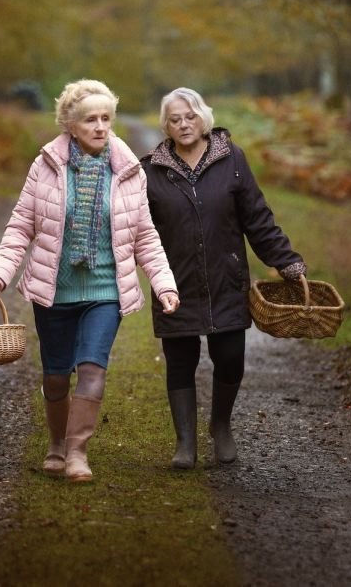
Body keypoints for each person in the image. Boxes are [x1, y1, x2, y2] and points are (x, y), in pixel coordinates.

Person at [0, 79, 180, 483]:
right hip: (54, 291)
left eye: (107, 118)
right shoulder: (46, 165)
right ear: (70, 123)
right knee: (55, 374)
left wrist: (165, 284)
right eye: (91, 119)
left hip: (106, 290)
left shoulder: (128, 170)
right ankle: (55, 443)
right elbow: (21, 227)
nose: (101, 127)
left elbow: (144, 235)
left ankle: (76, 453)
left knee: (92, 368)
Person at [141, 88, 305, 468]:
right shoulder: (150, 169)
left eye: (190, 116)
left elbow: (257, 218)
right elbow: (137, 229)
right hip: (175, 282)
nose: (183, 124)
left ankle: (221, 424)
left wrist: (286, 261)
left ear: (203, 118)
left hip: (225, 276)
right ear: (165, 125)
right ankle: (185, 443)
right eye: (174, 119)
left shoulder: (232, 159)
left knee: (229, 357)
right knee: (179, 359)